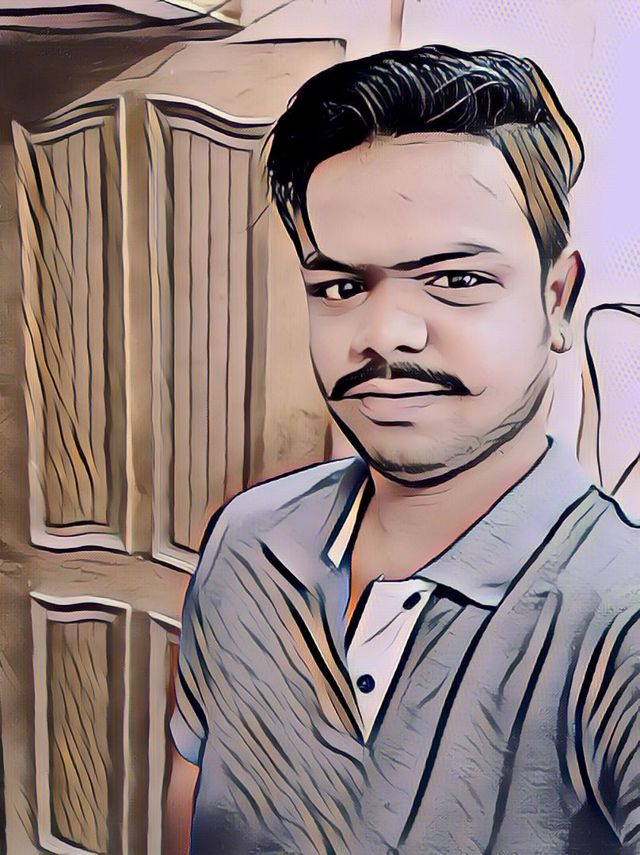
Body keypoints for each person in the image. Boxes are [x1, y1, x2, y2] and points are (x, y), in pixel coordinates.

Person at [169, 45, 640, 854]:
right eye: (341, 287)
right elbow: (191, 802)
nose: (384, 333)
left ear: (557, 300)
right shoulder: (246, 539)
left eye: (456, 280)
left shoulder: (619, 611)